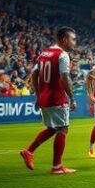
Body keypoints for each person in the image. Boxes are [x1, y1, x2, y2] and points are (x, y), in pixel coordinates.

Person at [19, 26, 78, 174]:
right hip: (57, 97)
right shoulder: (63, 55)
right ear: (65, 40)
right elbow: (65, 78)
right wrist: (72, 98)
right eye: (73, 39)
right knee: (63, 128)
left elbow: (34, 74)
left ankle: (29, 151)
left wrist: (38, 96)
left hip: (45, 97)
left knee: (53, 128)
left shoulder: (45, 52)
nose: (74, 43)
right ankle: (57, 166)